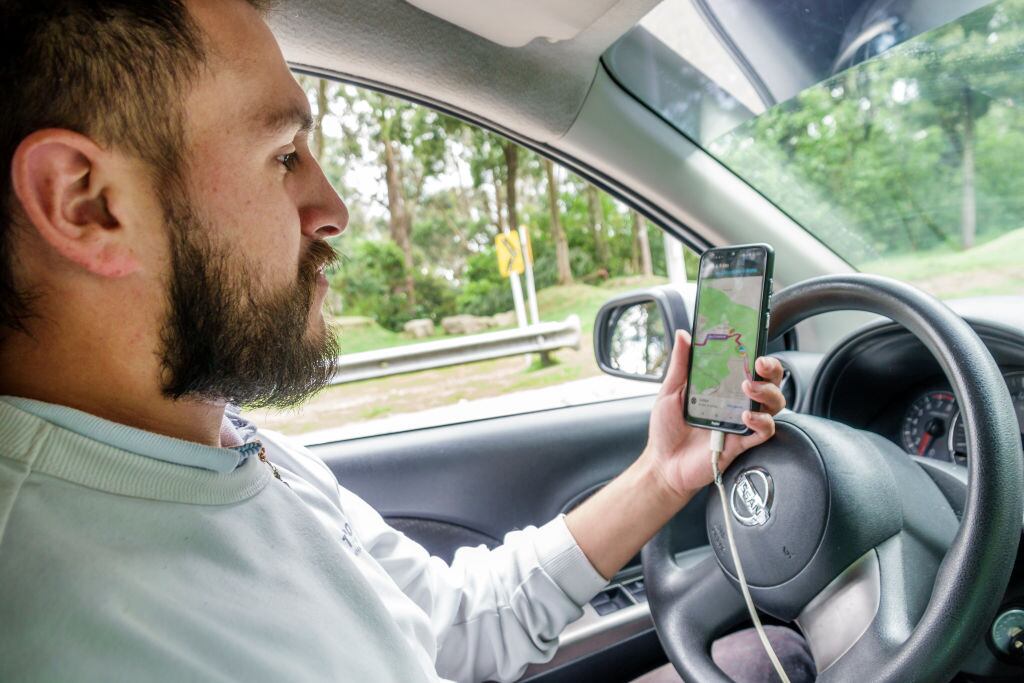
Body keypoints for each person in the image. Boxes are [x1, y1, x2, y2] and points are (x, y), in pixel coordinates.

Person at [0, 1, 812, 681]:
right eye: (283, 156)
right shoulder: (65, 633)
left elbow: (450, 623)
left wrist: (662, 477)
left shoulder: (229, 442)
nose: (331, 208)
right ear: (86, 203)